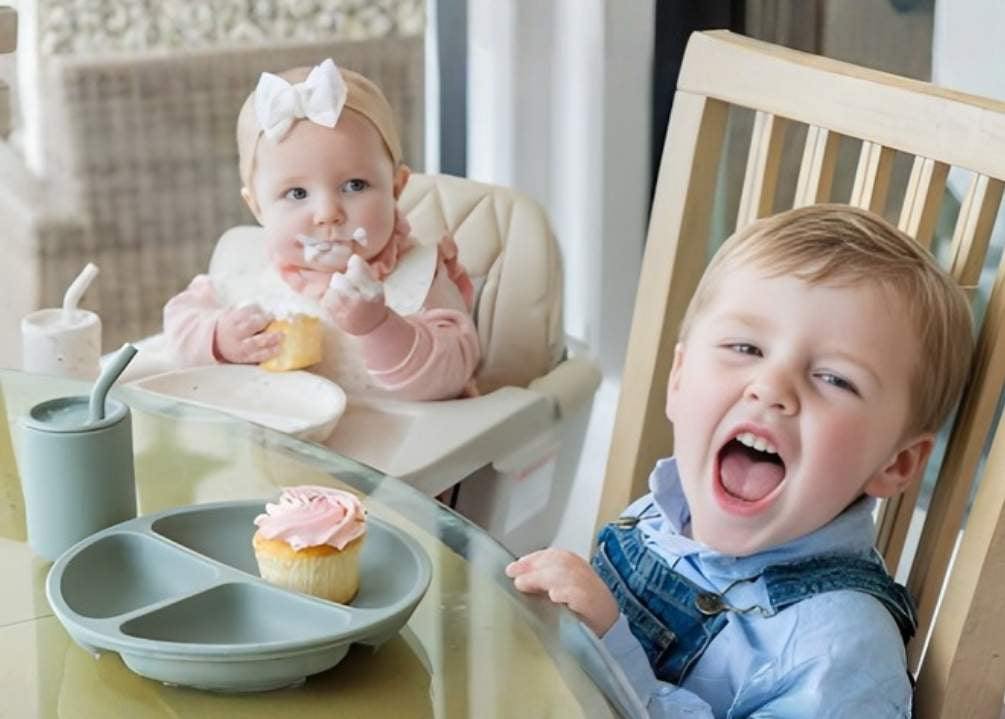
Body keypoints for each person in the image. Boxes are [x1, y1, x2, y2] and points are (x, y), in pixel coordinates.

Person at [507, 205, 974, 718]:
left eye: (835, 378)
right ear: (678, 378)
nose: (772, 387)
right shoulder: (665, 510)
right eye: (746, 347)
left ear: (898, 464)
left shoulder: (841, 652)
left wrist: (610, 651)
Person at [163, 58, 480, 400]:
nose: (328, 214)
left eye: (355, 185)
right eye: (297, 193)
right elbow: (178, 327)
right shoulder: (245, 264)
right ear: (257, 206)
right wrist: (219, 338)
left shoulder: (420, 275)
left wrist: (381, 327)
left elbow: (452, 371)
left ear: (396, 188)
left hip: (394, 448)